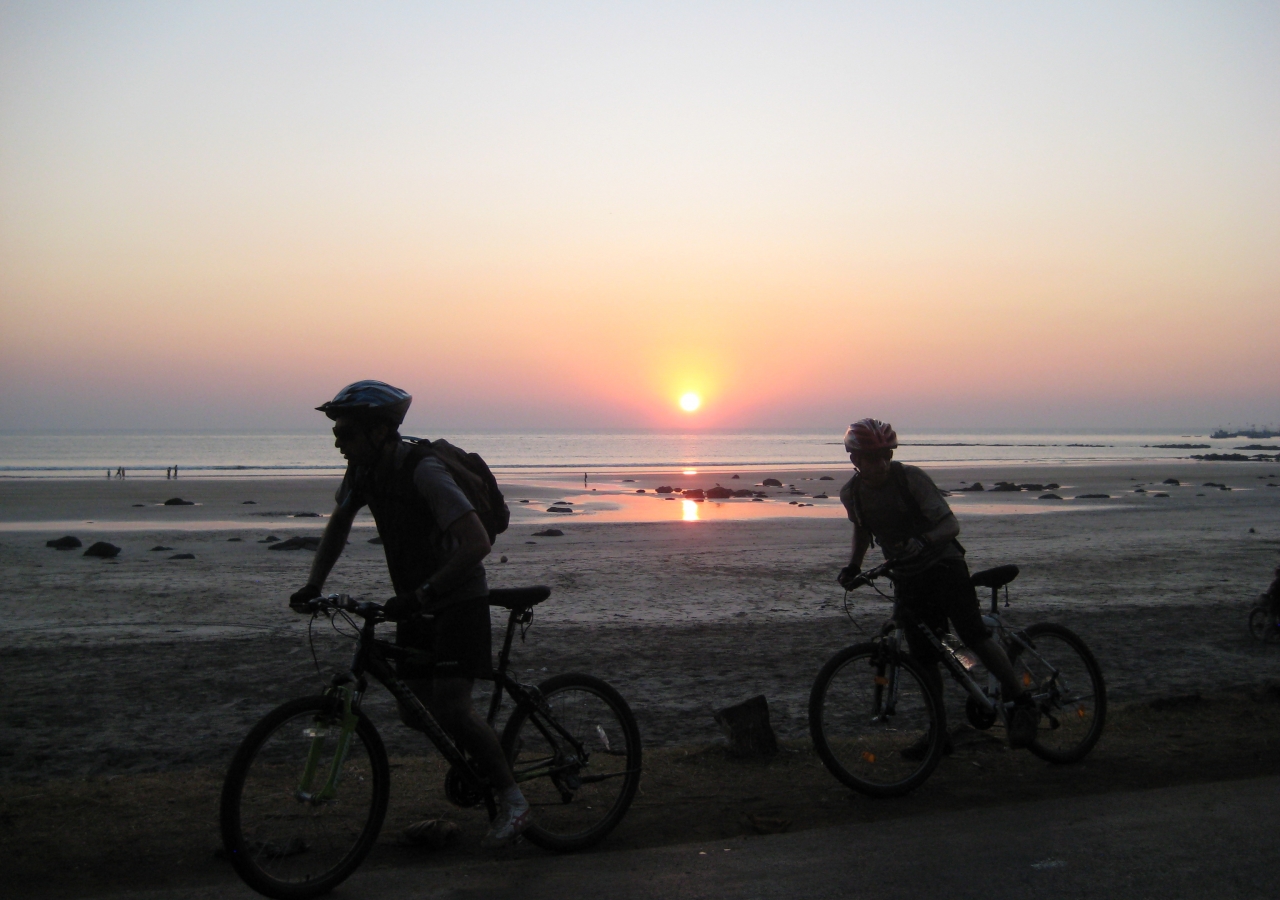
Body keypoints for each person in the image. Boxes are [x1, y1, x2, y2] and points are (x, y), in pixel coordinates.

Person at [288, 380, 530, 848]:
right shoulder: (363, 473)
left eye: (348, 432)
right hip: (416, 602)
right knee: (413, 710)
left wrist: (425, 593)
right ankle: (493, 751)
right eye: (337, 431)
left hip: (458, 599)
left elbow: (477, 543)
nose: (338, 440)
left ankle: (514, 800)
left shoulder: (425, 472)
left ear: (380, 432)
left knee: (454, 709)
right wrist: (314, 585)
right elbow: (338, 526)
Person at [836, 418, 1039, 755]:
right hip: (906, 575)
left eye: (886, 455)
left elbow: (950, 524)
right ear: (854, 459)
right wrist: (853, 567)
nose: (881, 463)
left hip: (943, 564)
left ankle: (1022, 701)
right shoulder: (852, 493)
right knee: (924, 657)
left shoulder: (910, 479)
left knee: (973, 634)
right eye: (872, 458)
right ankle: (939, 732)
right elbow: (861, 530)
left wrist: (923, 540)